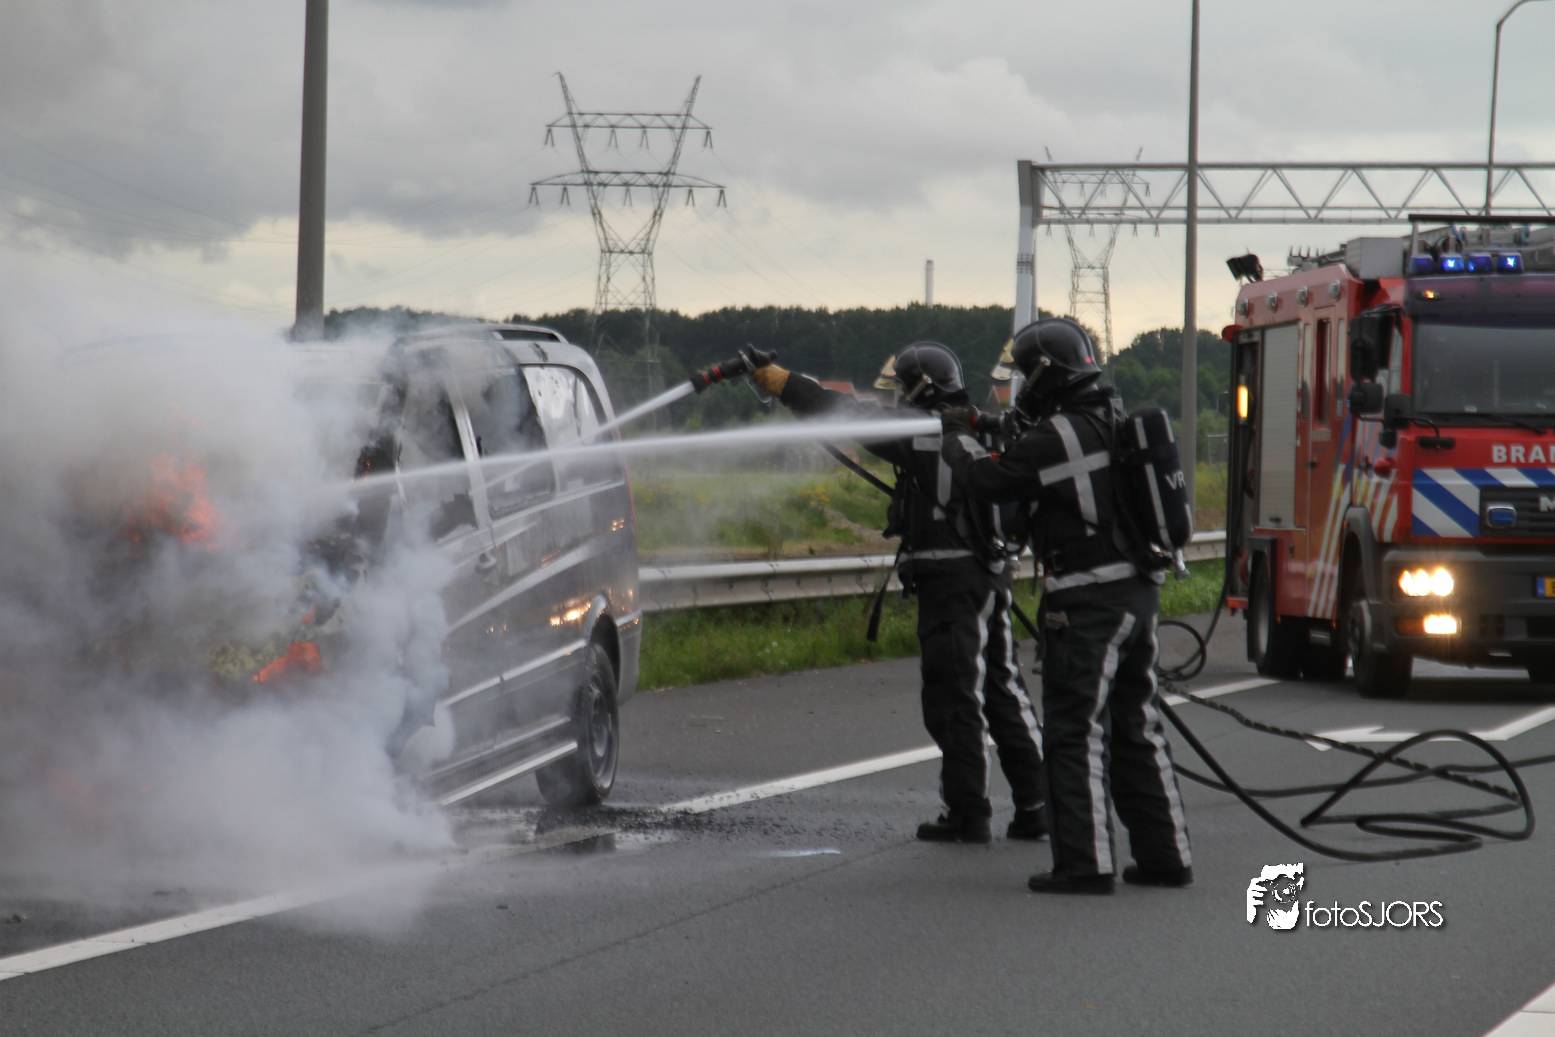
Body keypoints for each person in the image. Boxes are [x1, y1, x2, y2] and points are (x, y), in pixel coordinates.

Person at [751, 343, 1047, 844]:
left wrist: (784, 383)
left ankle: (968, 813)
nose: (898, 400)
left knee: (955, 695)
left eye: (903, 390)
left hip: (950, 584)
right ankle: (1038, 806)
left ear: (922, 389)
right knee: (1002, 688)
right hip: (990, 576)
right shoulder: (980, 426)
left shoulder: (922, 432)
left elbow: (845, 411)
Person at [939, 318, 1193, 893]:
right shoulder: (1107, 416)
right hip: (1135, 592)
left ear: (1044, 375)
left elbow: (989, 480)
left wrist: (957, 438)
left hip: (1087, 601)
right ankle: (1165, 858)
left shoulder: (1060, 433)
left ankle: (1084, 864)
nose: (1020, 387)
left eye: (1024, 376)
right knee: (1137, 728)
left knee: (1074, 732)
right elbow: (1021, 434)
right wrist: (981, 421)